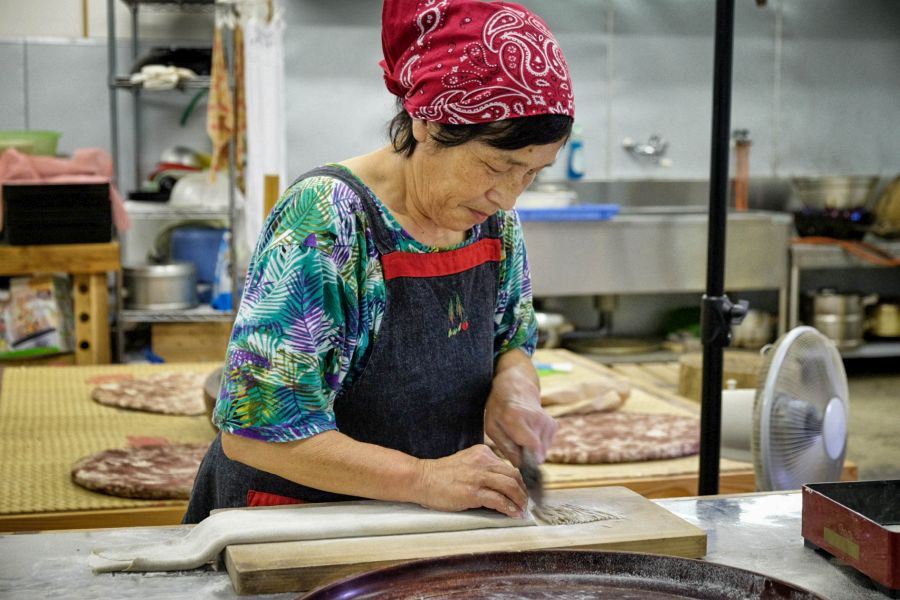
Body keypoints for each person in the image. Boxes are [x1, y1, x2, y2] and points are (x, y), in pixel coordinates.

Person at [184, 0, 575, 524]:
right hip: (290, 520)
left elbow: (512, 341)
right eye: (496, 165)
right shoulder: (327, 218)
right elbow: (255, 436)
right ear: (426, 124)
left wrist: (515, 391)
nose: (508, 196)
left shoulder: (493, 222)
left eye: (532, 173)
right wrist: (423, 478)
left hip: (417, 518)